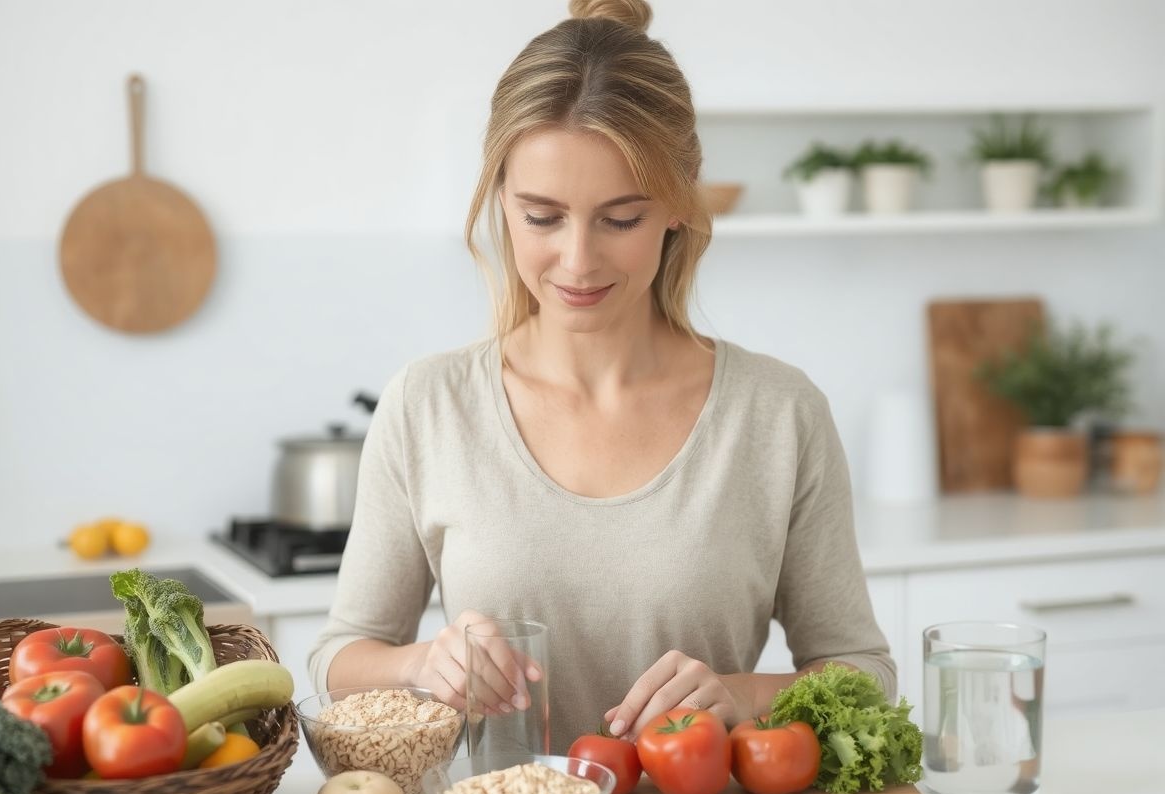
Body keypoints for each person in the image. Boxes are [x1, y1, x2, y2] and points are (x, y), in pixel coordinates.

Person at [307, 0, 896, 753]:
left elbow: (865, 671)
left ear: (681, 204)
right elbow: (338, 658)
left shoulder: (778, 414)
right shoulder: (428, 406)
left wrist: (744, 696)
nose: (579, 262)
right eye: (541, 217)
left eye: (621, 219)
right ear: (500, 202)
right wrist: (425, 665)